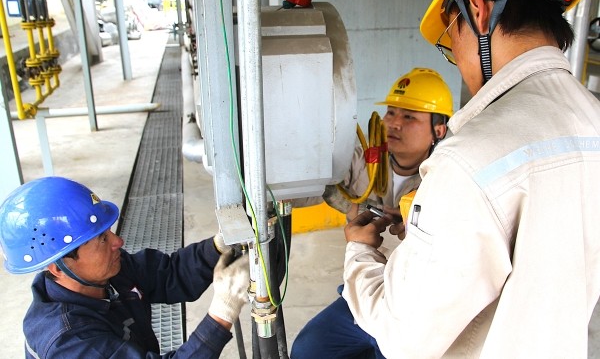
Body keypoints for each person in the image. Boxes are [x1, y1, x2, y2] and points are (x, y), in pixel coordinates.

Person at [342, 0, 600, 358]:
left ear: (477, 10)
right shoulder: (592, 117)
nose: (458, 60)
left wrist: (359, 254)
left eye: (451, 39)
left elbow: (402, 335)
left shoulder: (469, 158)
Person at [290, 68, 453, 359]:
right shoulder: (364, 160)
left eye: (409, 117)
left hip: (416, 302)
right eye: (391, 112)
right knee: (308, 350)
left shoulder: (448, 178)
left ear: (438, 130)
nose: (394, 123)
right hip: (367, 285)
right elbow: (315, 187)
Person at [0, 176, 249, 359]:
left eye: (108, 231)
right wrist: (222, 313)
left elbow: (169, 275)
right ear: (57, 267)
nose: (117, 241)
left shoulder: (108, 272)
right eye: (102, 239)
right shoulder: (69, 342)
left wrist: (217, 248)